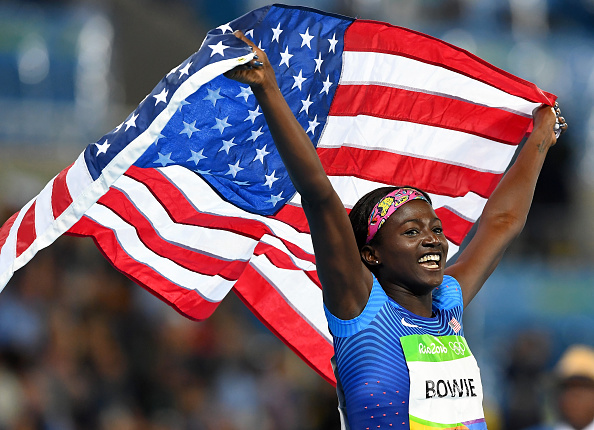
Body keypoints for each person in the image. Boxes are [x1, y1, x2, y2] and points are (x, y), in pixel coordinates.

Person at [225, 31, 567, 429]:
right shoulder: (358, 308)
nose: (432, 239)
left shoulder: (448, 305)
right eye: (410, 232)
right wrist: (267, 89)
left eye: (436, 229)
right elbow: (320, 197)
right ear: (371, 255)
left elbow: (502, 223)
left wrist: (539, 139)